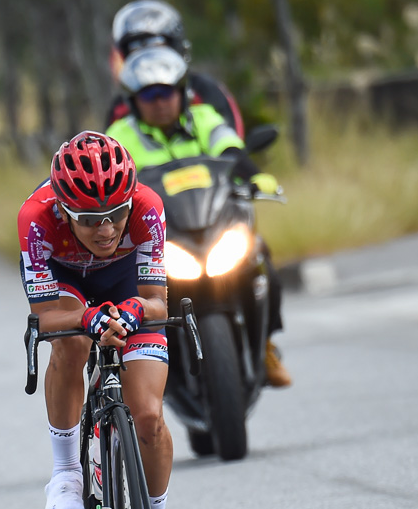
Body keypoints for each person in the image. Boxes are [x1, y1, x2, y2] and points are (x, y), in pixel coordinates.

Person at [19, 131, 183, 509]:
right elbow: (45, 315)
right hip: (69, 291)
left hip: (129, 288)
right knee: (68, 344)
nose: (107, 229)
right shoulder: (35, 219)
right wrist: (88, 318)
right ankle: (67, 470)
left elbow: (156, 301)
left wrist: (131, 309)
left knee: (148, 417)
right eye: (90, 220)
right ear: (64, 211)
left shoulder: (149, 207)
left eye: (116, 214)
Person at [106, 46, 292, 387]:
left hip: (213, 223)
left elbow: (230, 150)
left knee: (261, 261)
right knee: (130, 290)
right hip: (165, 234)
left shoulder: (205, 119)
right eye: (149, 94)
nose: (160, 101)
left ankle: (265, 345)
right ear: (133, 100)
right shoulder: (121, 136)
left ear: (182, 92)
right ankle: (141, 365)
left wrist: (254, 177)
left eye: (167, 92)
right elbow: (113, 179)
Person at [105, 0, 244, 138]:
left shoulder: (205, 91)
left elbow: (233, 142)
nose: (148, 56)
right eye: (135, 48)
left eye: (156, 45)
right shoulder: (120, 110)